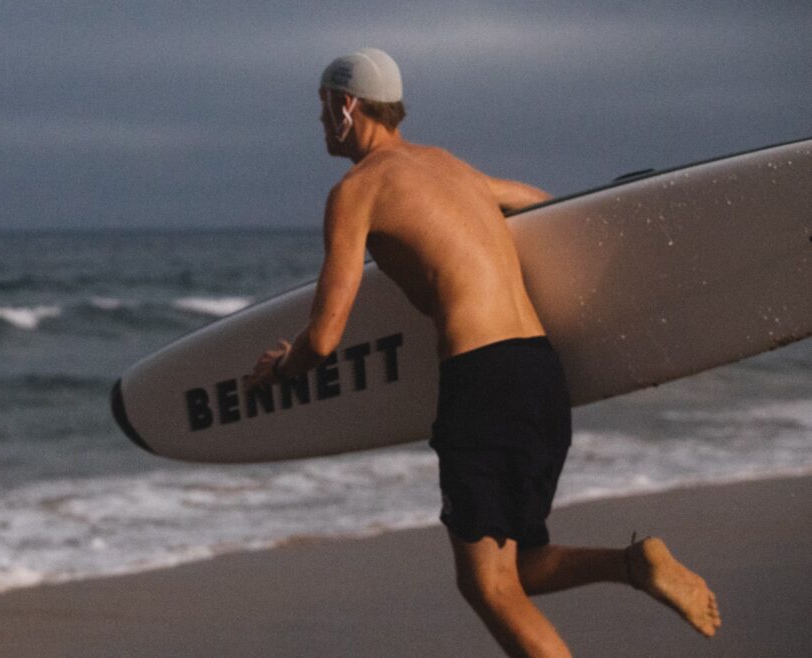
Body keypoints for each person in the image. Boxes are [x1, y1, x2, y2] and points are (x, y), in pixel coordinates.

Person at [246, 47, 720, 657]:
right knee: (520, 565)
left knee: (486, 587)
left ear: (346, 106)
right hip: (540, 371)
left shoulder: (357, 191)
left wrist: (280, 371)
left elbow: (325, 337)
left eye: (322, 108)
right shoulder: (450, 166)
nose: (318, 123)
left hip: (483, 381)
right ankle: (635, 564)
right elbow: (535, 202)